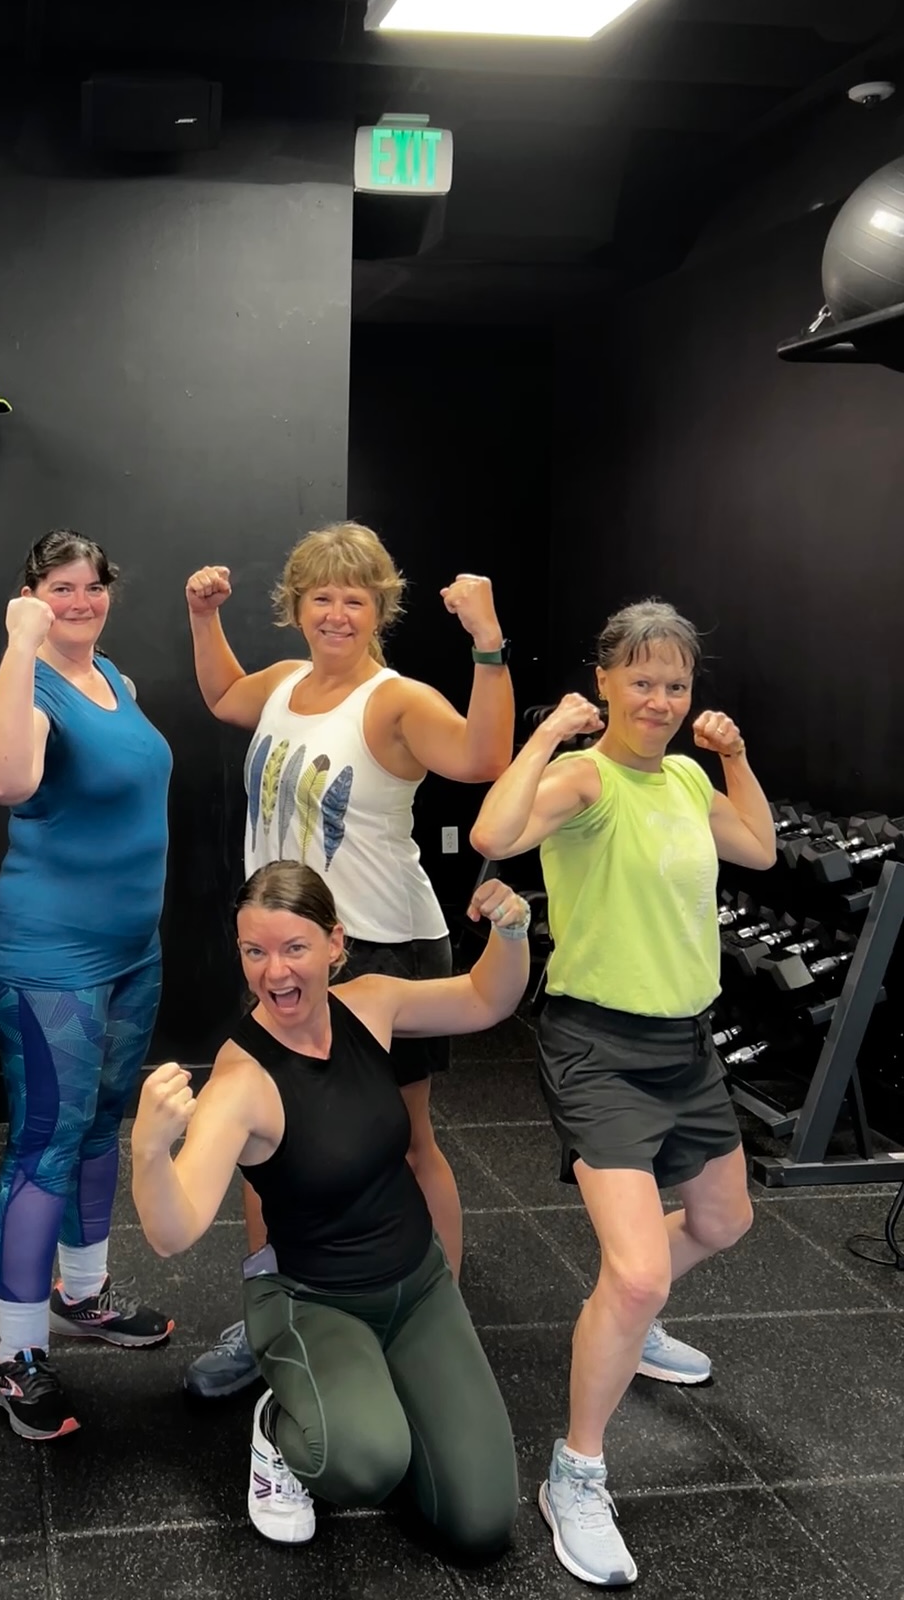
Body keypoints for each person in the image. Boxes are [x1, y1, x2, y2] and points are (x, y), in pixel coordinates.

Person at [470, 599, 776, 1588]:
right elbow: (493, 826)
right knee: (638, 1269)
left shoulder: (686, 776)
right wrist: (549, 734)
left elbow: (762, 849)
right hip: (598, 1046)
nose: (659, 698)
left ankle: (628, 1329)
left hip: (685, 1047)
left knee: (725, 1221)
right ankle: (576, 1471)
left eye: (676, 684)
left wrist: (733, 759)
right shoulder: (585, 777)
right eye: (640, 679)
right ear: (604, 681)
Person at [182, 523, 513, 1396]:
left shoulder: (395, 701)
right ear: (295, 607)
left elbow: (484, 758)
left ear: (380, 608)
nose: (336, 612)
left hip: (381, 947)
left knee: (404, 1146)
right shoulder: (287, 683)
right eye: (320, 596)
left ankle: (432, 1316)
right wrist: (200, 614)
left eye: (354, 598)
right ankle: (271, 1316)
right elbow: (222, 697)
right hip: (287, 948)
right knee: (267, 1149)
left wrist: (487, 643)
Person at [131, 859, 528, 1553]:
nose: (274, 972)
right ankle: (279, 1432)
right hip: (314, 1298)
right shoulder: (241, 1079)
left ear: (334, 944)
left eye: (294, 948)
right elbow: (174, 1230)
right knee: (361, 1463)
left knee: (482, 1523)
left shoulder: (371, 1004)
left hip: (418, 1285)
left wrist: (514, 933)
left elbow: (484, 999)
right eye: (255, 952)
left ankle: (378, 1391)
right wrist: (148, 1153)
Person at [0, 530, 175, 1441]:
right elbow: (4, 780)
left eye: (94, 585)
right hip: (47, 954)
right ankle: (14, 1358)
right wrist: (20, 644)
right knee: (46, 1143)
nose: (81, 600)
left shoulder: (115, 679)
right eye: (61, 587)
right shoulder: (33, 679)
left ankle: (83, 1295)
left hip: (131, 949)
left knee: (100, 1125)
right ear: (29, 594)